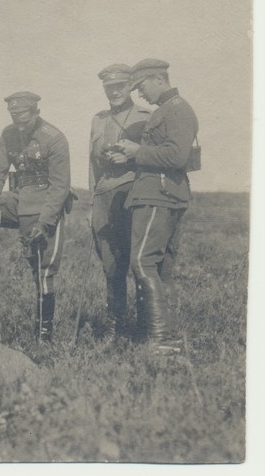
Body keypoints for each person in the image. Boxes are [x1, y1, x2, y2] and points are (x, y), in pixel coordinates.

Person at [0, 91, 71, 342]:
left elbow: (60, 187)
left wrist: (44, 221)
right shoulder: (8, 134)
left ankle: (43, 337)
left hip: (43, 205)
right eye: (14, 118)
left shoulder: (54, 138)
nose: (20, 125)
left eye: (24, 119)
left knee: (41, 271)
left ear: (36, 113)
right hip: (17, 199)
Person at [116, 59, 199, 354]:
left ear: (158, 78)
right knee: (161, 266)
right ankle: (166, 337)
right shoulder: (167, 109)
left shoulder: (176, 109)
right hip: (162, 193)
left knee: (142, 262)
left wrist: (138, 151)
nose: (139, 94)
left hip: (157, 195)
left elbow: (176, 157)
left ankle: (159, 339)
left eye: (141, 87)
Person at [89, 64, 151, 338]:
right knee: (111, 265)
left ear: (130, 87)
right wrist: (93, 201)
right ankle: (116, 325)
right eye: (109, 88)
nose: (114, 92)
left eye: (120, 87)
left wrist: (130, 158)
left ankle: (143, 327)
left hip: (133, 195)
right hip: (104, 197)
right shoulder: (98, 119)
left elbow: (154, 157)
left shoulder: (146, 116)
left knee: (138, 263)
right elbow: (91, 164)